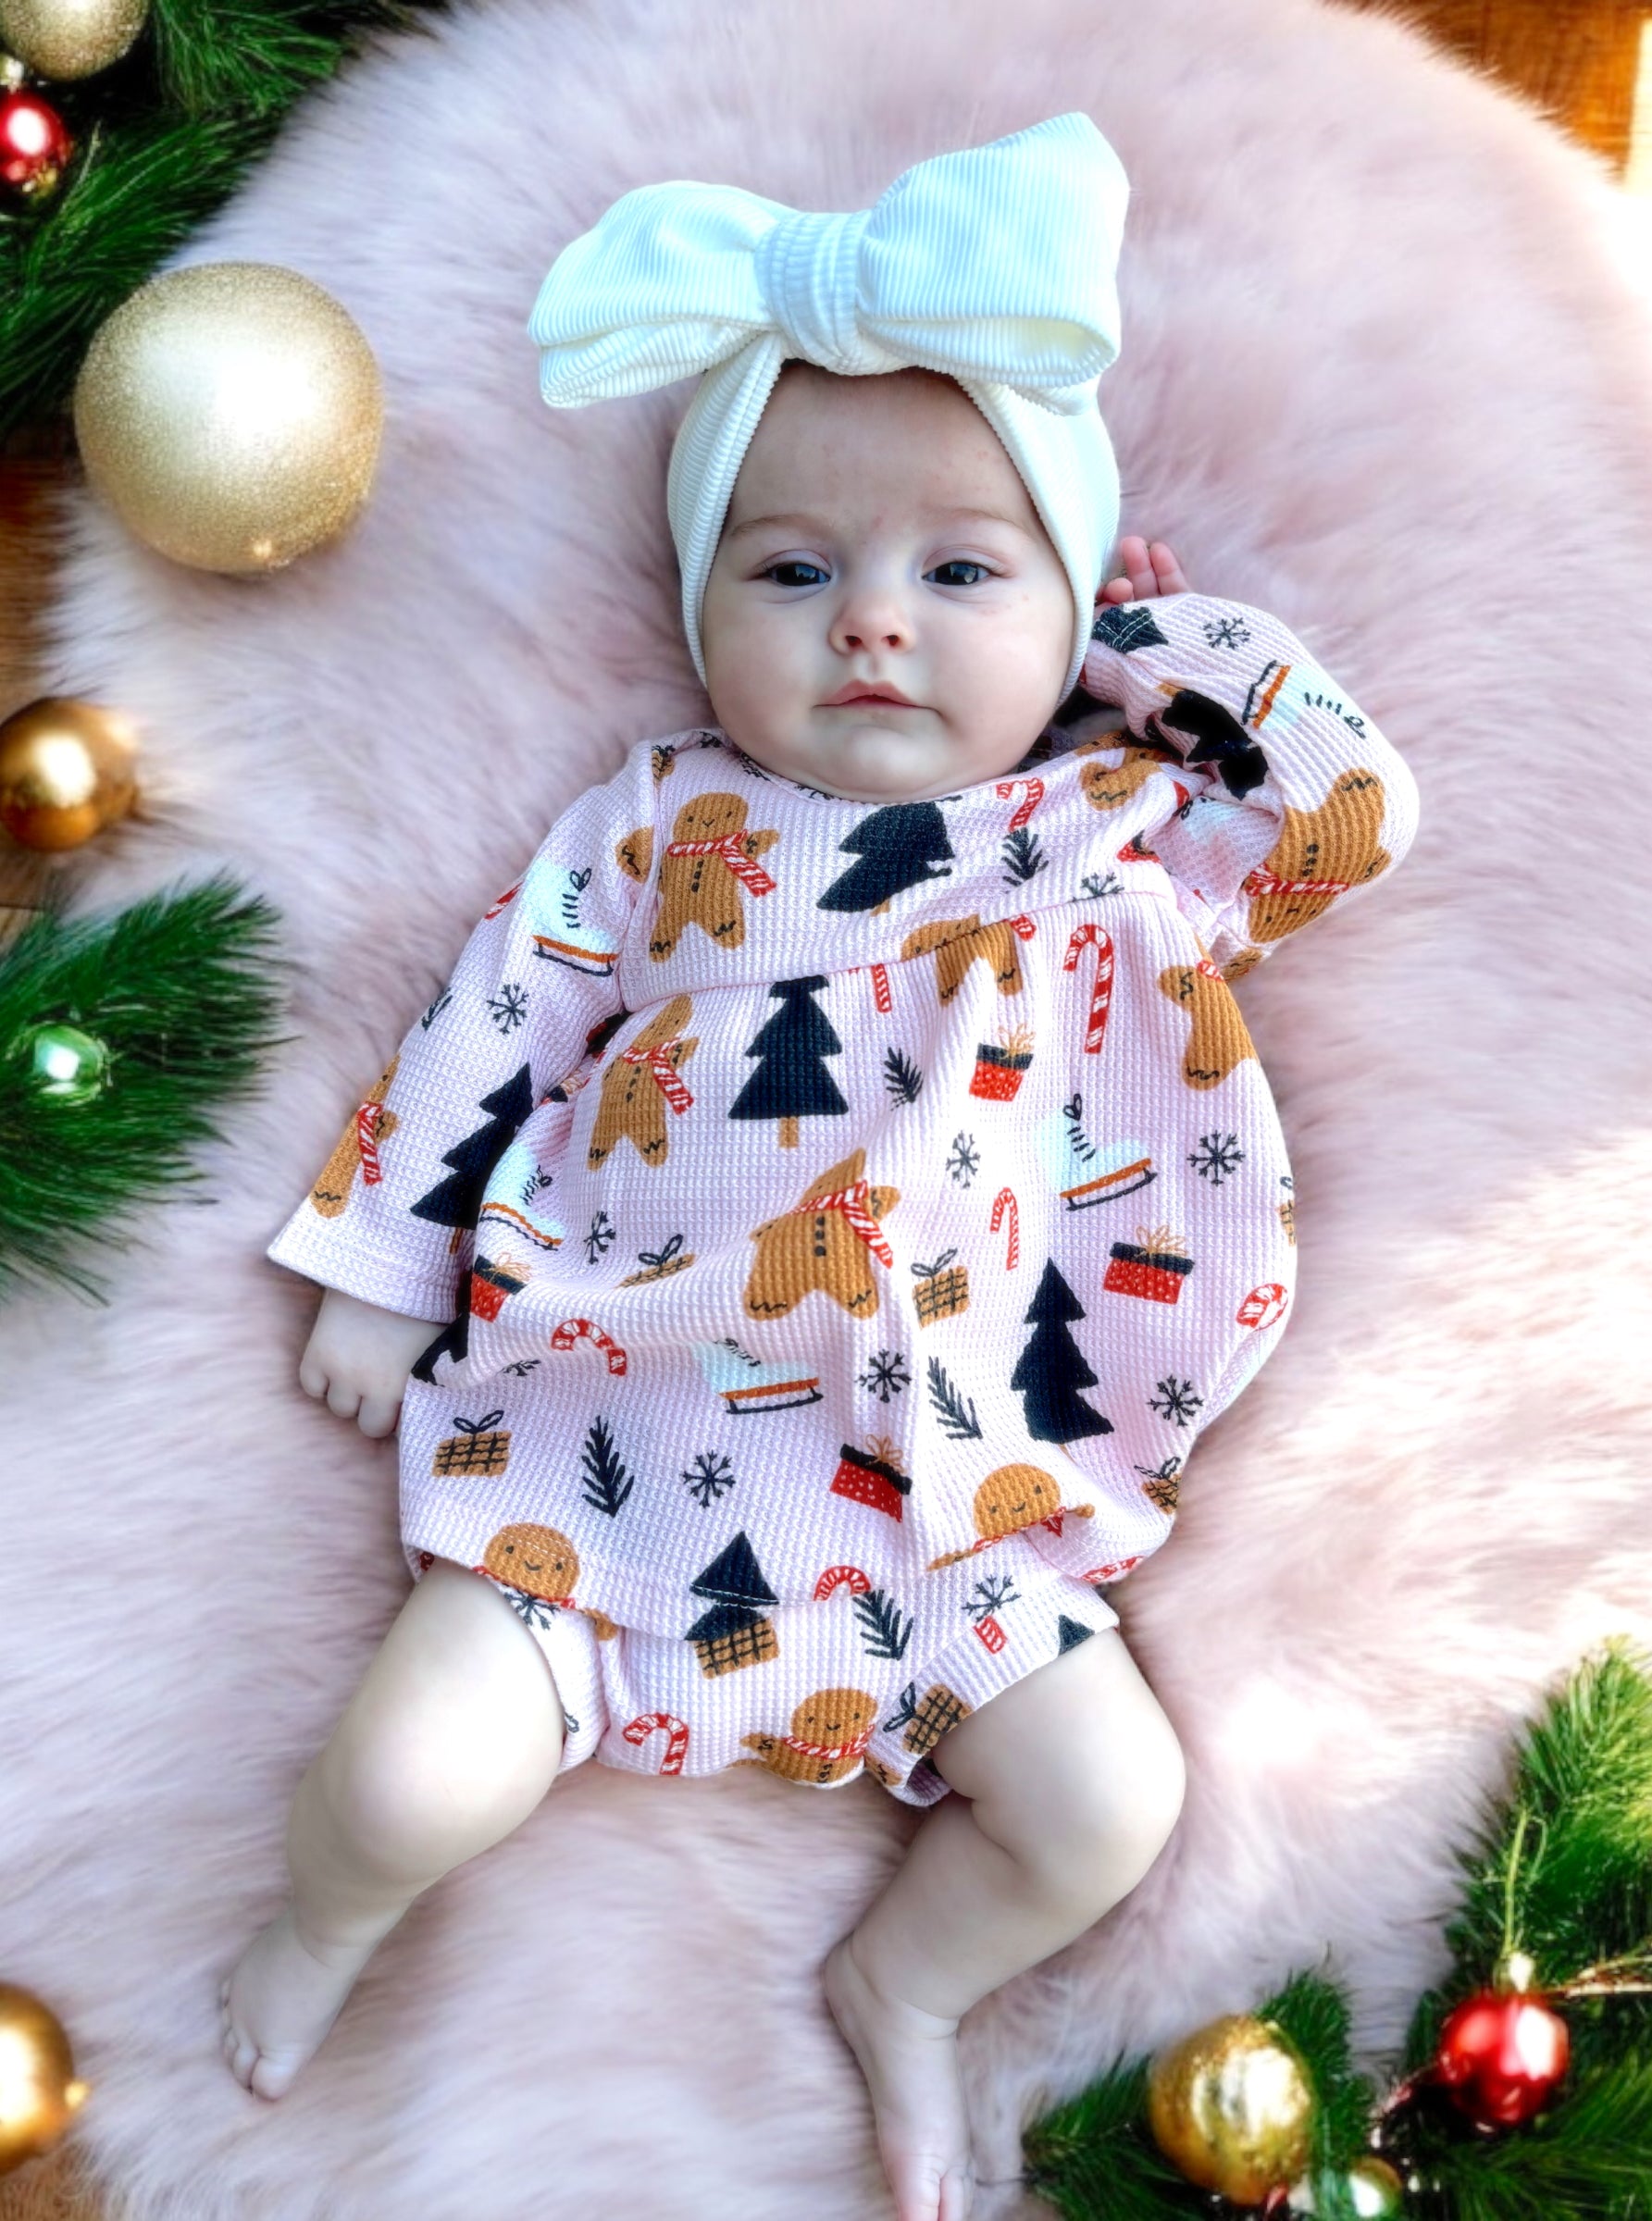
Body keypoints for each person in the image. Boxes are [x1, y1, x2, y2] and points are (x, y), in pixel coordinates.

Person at [221, 114, 1419, 2221]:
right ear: (700, 612)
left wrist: (1141, 665)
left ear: (1067, 613)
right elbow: (496, 1014)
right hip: (604, 1467)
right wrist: (385, 1258)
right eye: (792, 569)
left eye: (961, 572)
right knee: (404, 1780)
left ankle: (909, 1986)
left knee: (1099, 1809)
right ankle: (319, 1920)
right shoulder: (659, 820)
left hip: (952, 1508)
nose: (872, 623)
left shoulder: (1095, 832)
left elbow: (1338, 812)